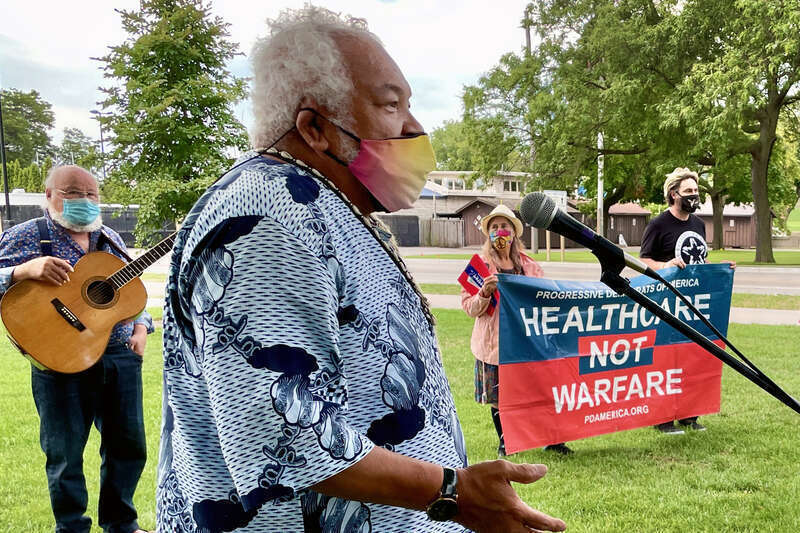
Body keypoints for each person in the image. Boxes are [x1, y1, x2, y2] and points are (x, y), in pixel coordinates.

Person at [155, 6, 566, 533]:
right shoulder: (267, 214)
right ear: (315, 128)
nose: (416, 127)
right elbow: (283, 430)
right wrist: (451, 493)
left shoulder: (326, 205)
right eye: (391, 104)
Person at [0, 165, 154, 533]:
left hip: (118, 356)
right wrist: (23, 271)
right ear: (49, 195)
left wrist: (141, 326)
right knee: (65, 455)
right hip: (58, 360)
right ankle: (71, 527)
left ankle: (122, 524)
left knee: (128, 448)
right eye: (73, 192)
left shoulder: (110, 238)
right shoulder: (26, 236)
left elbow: (127, 292)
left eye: (91, 194)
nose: (84, 201)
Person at [461, 205, 573, 457]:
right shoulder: (478, 266)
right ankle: (506, 441)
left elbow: (547, 299)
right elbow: (469, 307)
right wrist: (484, 293)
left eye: (505, 227)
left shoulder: (530, 266)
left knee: (540, 392)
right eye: (495, 227)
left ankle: (551, 438)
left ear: (514, 232)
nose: (500, 232)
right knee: (500, 397)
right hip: (495, 345)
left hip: (528, 343)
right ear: (488, 233)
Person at [639, 167, 735, 435]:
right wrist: (666, 265)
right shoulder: (658, 224)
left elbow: (699, 262)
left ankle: (690, 415)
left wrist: (721, 270)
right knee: (667, 360)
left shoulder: (698, 225)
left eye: (696, 191)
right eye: (689, 192)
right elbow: (643, 260)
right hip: (667, 304)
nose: (695, 196)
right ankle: (663, 419)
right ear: (674, 194)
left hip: (695, 305)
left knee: (694, 357)